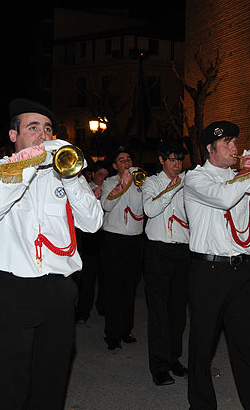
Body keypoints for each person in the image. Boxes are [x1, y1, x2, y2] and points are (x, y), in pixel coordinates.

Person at [0, 98, 103, 410]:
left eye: (48, 129)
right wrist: (28, 164)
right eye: (33, 127)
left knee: (51, 384)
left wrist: (71, 177)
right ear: (13, 136)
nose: (44, 135)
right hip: (11, 289)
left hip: (58, 289)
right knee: (10, 386)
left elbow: (93, 222)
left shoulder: (65, 175)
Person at [184, 121, 250, 410]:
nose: (235, 148)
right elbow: (225, 198)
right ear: (210, 148)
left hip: (242, 270)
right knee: (202, 346)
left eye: (235, 142)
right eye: (227, 143)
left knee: (248, 346)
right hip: (209, 271)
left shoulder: (242, 178)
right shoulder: (196, 178)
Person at [142, 138, 190, 386]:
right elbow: (150, 210)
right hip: (158, 252)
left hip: (182, 251)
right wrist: (173, 187)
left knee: (178, 311)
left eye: (180, 159)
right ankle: (158, 366)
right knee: (158, 312)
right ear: (161, 160)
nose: (177, 164)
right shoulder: (151, 182)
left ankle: (173, 358)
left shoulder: (188, 184)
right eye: (172, 159)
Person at [99, 146, 145, 350]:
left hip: (134, 241)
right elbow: (107, 206)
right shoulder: (109, 183)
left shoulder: (141, 183)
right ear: (115, 165)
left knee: (129, 288)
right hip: (113, 241)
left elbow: (141, 209)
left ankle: (126, 329)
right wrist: (122, 184)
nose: (126, 162)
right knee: (113, 288)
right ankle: (112, 334)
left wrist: (135, 184)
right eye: (121, 160)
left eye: (128, 159)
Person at [75, 161, 109, 323]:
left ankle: (102, 307)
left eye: (106, 175)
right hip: (89, 239)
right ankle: (83, 311)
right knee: (87, 278)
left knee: (105, 277)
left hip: (105, 236)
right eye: (101, 174)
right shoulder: (85, 188)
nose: (104, 178)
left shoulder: (110, 188)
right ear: (93, 175)